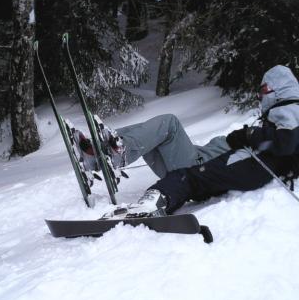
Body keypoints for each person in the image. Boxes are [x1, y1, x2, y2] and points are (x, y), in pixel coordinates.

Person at [75, 65, 299, 216]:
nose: (260, 95)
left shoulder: (289, 109)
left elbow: (285, 142)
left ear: (281, 89)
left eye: (264, 89)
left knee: (168, 124)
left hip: (199, 165)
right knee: (148, 135)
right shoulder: (275, 118)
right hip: (200, 157)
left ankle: (114, 150)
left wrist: (248, 135)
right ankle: (99, 154)